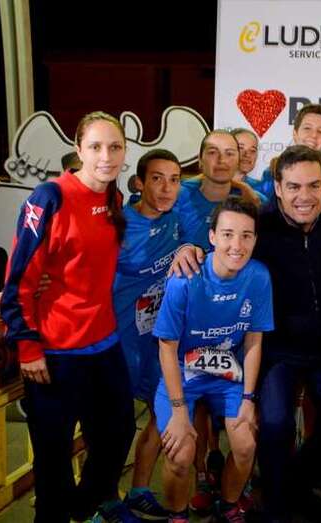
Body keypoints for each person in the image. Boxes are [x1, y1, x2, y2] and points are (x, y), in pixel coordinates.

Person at [0, 111, 136, 522]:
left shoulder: (114, 198)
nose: (105, 156)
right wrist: (27, 346)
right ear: (79, 149)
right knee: (53, 457)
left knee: (118, 433)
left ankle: (83, 506)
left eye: (114, 147)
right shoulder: (49, 197)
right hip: (54, 352)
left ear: (124, 152)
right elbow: (18, 279)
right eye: (95, 146)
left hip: (104, 344)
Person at [154, 197, 272, 523]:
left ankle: (229, 504)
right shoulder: (184, 279)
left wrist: (248, 399)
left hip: (227, 371)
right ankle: (177, 516)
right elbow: (166, 348)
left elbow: (254, 340)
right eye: (228, 234)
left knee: (246, 445)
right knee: (180, 453)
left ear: (255, 239)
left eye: (246, 236)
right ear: (212, 237)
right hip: (183, 371)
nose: (237, 245)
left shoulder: (259, 276)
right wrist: (179, 412)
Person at [252, 145, 321, 522]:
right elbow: (221, 243)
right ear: (278, 188)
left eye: (313, 185)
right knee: (275, 424)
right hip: (279, 349)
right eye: (294, 187)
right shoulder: (259, 224)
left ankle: (296, 483)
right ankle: (275, 507)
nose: (304, 196)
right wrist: (188, 249)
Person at [112, 148, 182, 520]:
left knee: (162, 415)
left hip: (159, 342)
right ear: (139, 184)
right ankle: (105, 496)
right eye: (157, 179)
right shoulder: (118, 225)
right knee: (114, 424)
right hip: (120, 340)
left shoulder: (178, 220)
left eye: (174, 180)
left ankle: (139, 489)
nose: (167, 188)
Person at [251, 103, 321, 199]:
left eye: (320, 131)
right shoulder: (272, 174)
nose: (314, 135)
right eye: (307, 128)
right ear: (295, 134)